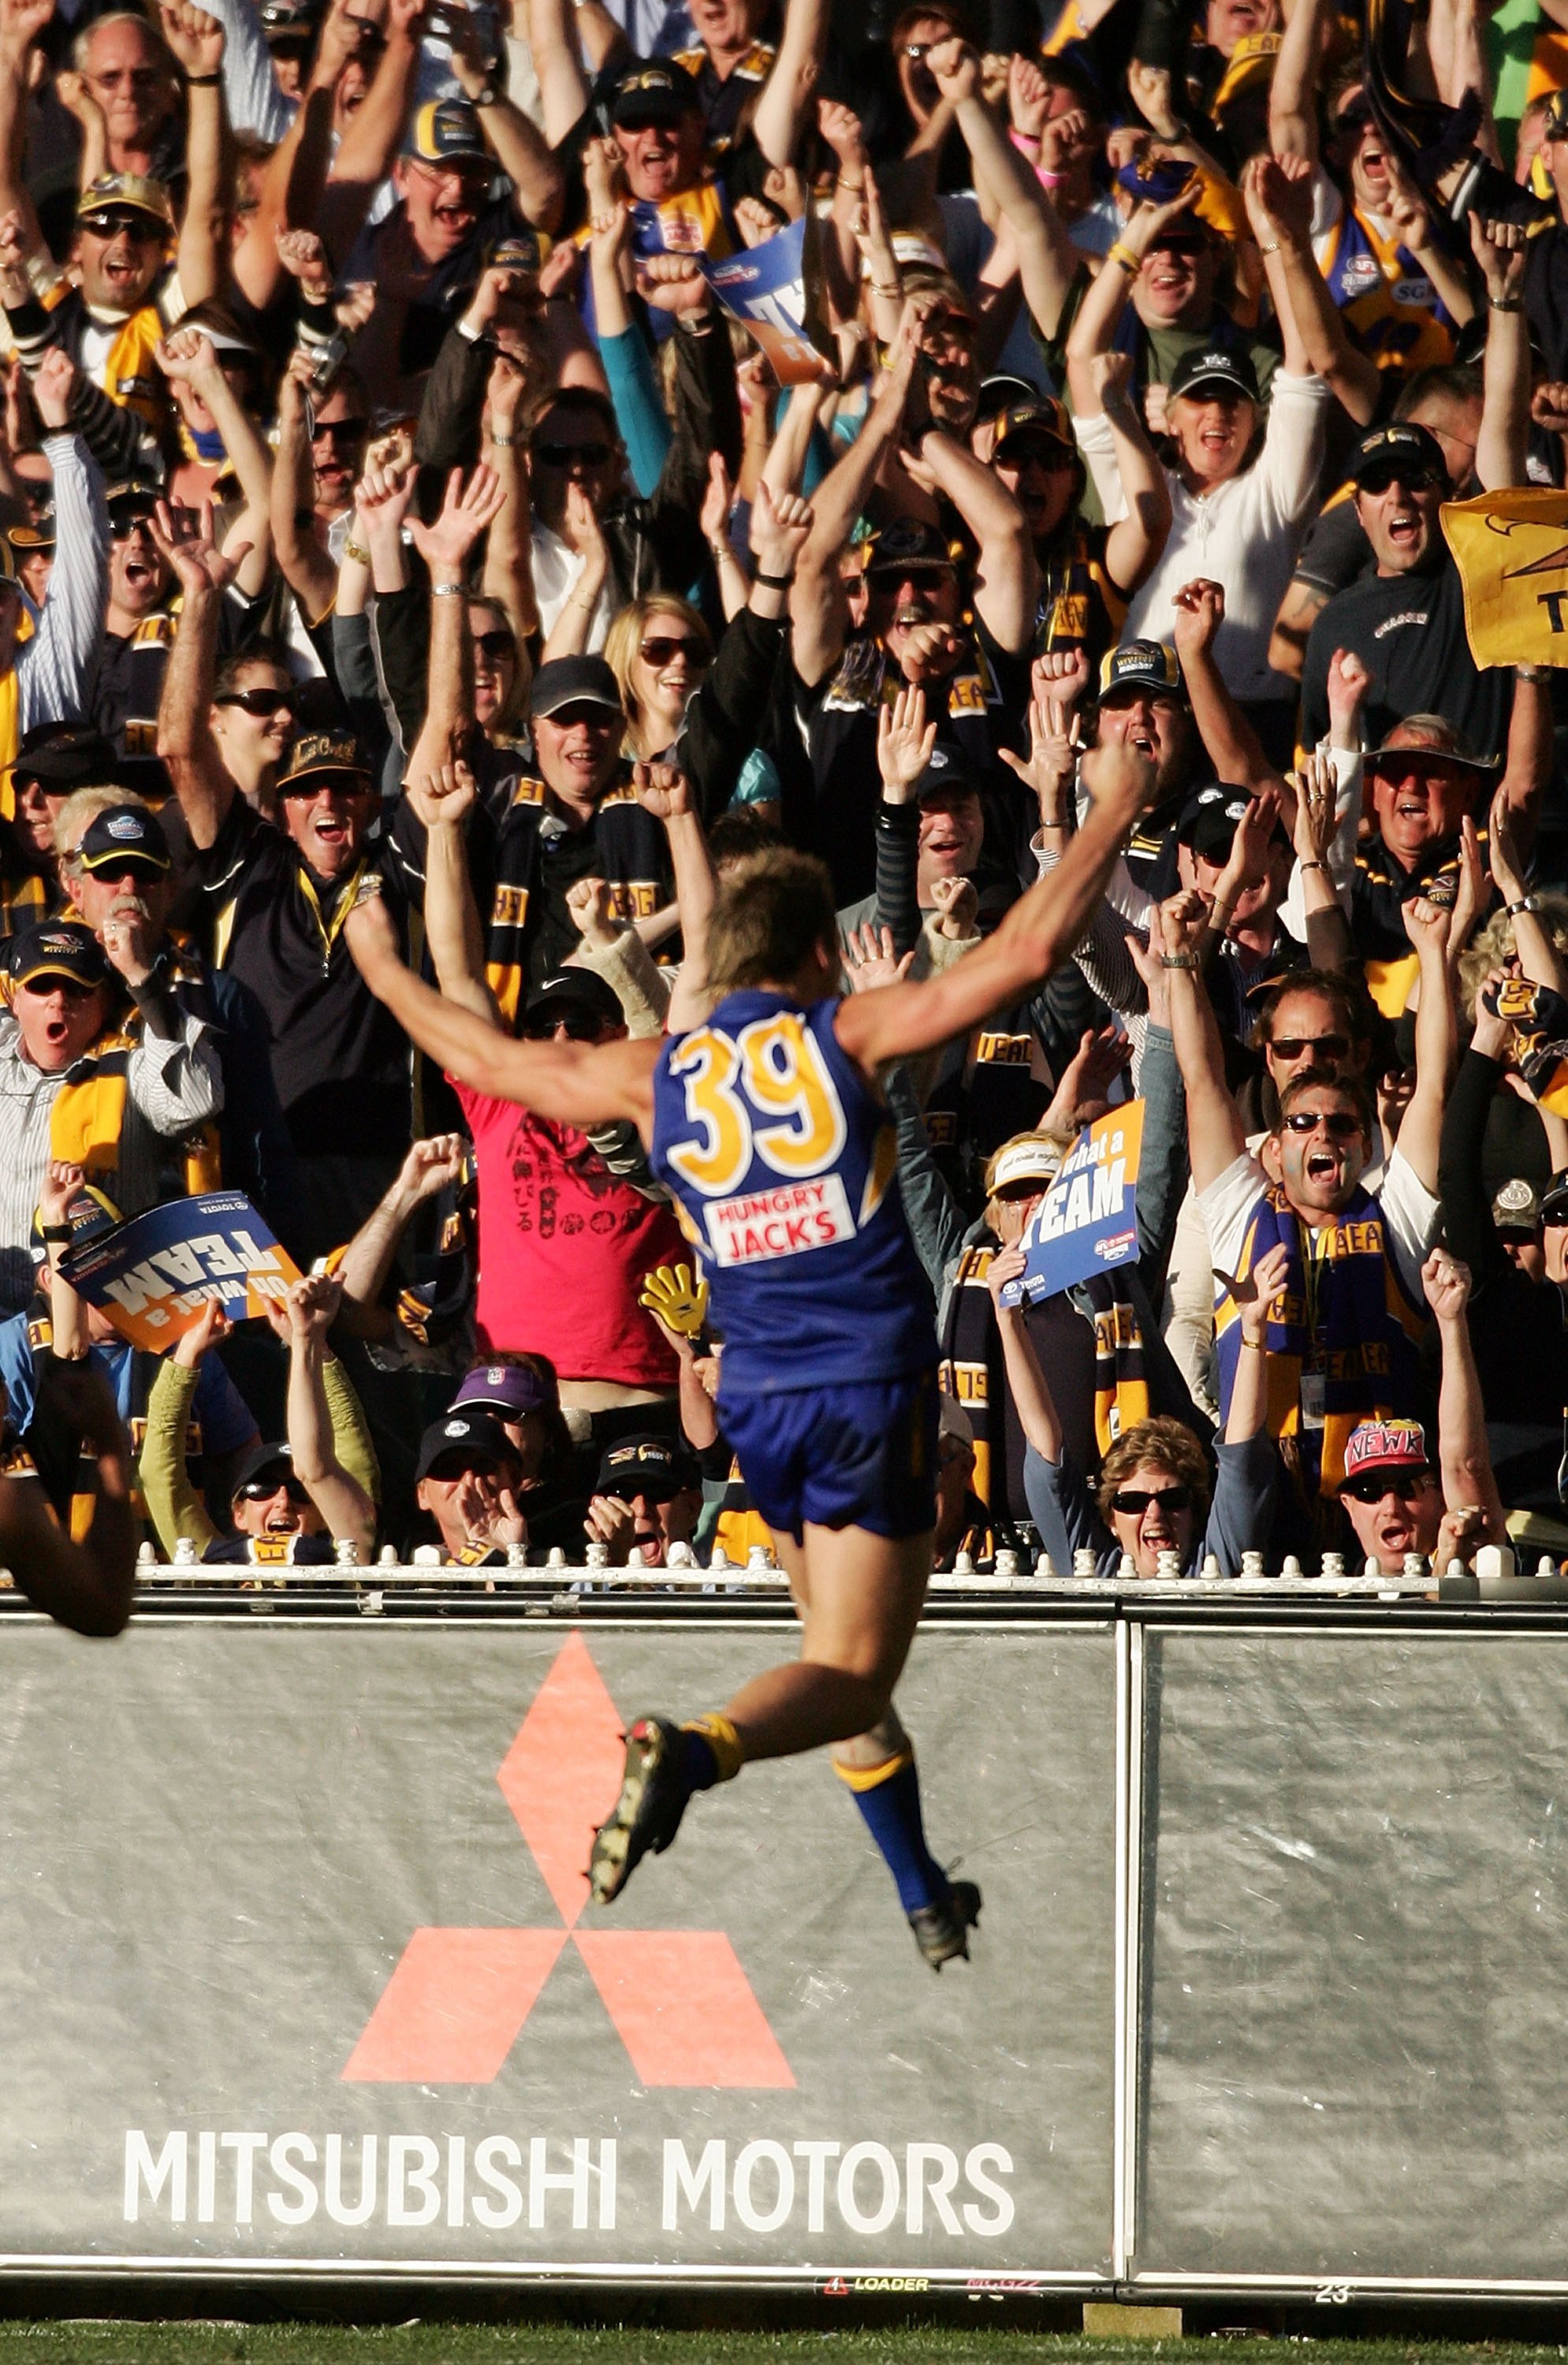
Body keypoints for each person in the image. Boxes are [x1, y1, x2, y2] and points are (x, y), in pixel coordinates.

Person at [344, 734, 1152, 1966]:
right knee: (849, 1665)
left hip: (754, 1394)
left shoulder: (655, 1073)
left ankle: (920, 1889)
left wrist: (383, 968)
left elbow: (487, 1056)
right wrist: (1117, 805)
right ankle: (693, 1746)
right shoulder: (846, 1037)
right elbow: (1027, 953)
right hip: (868, 1382)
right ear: (817, 955)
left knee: (838, 1669)